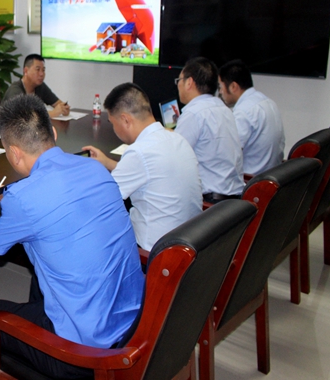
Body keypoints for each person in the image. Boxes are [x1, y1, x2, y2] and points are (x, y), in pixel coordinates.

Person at [0, 94, 144, 380]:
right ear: (53, 133)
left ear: (14, 153)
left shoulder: (22, 199)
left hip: (84, 353)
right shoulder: (96, 168)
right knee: (41, 272)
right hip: (133, 326)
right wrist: (9, 204)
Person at [83, 83, 202, 250]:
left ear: (125, 120)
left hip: (154, 251)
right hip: (190, 242)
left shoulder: (139, 152)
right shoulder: (177, 139)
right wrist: (107, 162)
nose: (114, 129)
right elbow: (148, 172)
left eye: (112, 123)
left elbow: (101, 200)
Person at [175, 57, 244, 202]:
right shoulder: (224, 109)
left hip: (210, 203)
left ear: (189, 82)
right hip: (234, 199)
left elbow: (173, 158)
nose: (178, 85)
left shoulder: (194, 113)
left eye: (179, 80)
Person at [219, 59, 285, 175]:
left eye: (221, 87)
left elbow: (228, 155)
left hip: (251, 180)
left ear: (233, 86)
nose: (220, 92)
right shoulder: (269, 102)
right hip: (273, 175)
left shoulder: (244, 112)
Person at [2, 54, 70, 117]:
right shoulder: (15, 90)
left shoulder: (40, 86)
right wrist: (53, 113)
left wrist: (64, 108)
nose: (41, 74)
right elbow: (26, 115)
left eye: (43, 70)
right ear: (26, 71)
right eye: (38, 69)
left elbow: (58, 103)